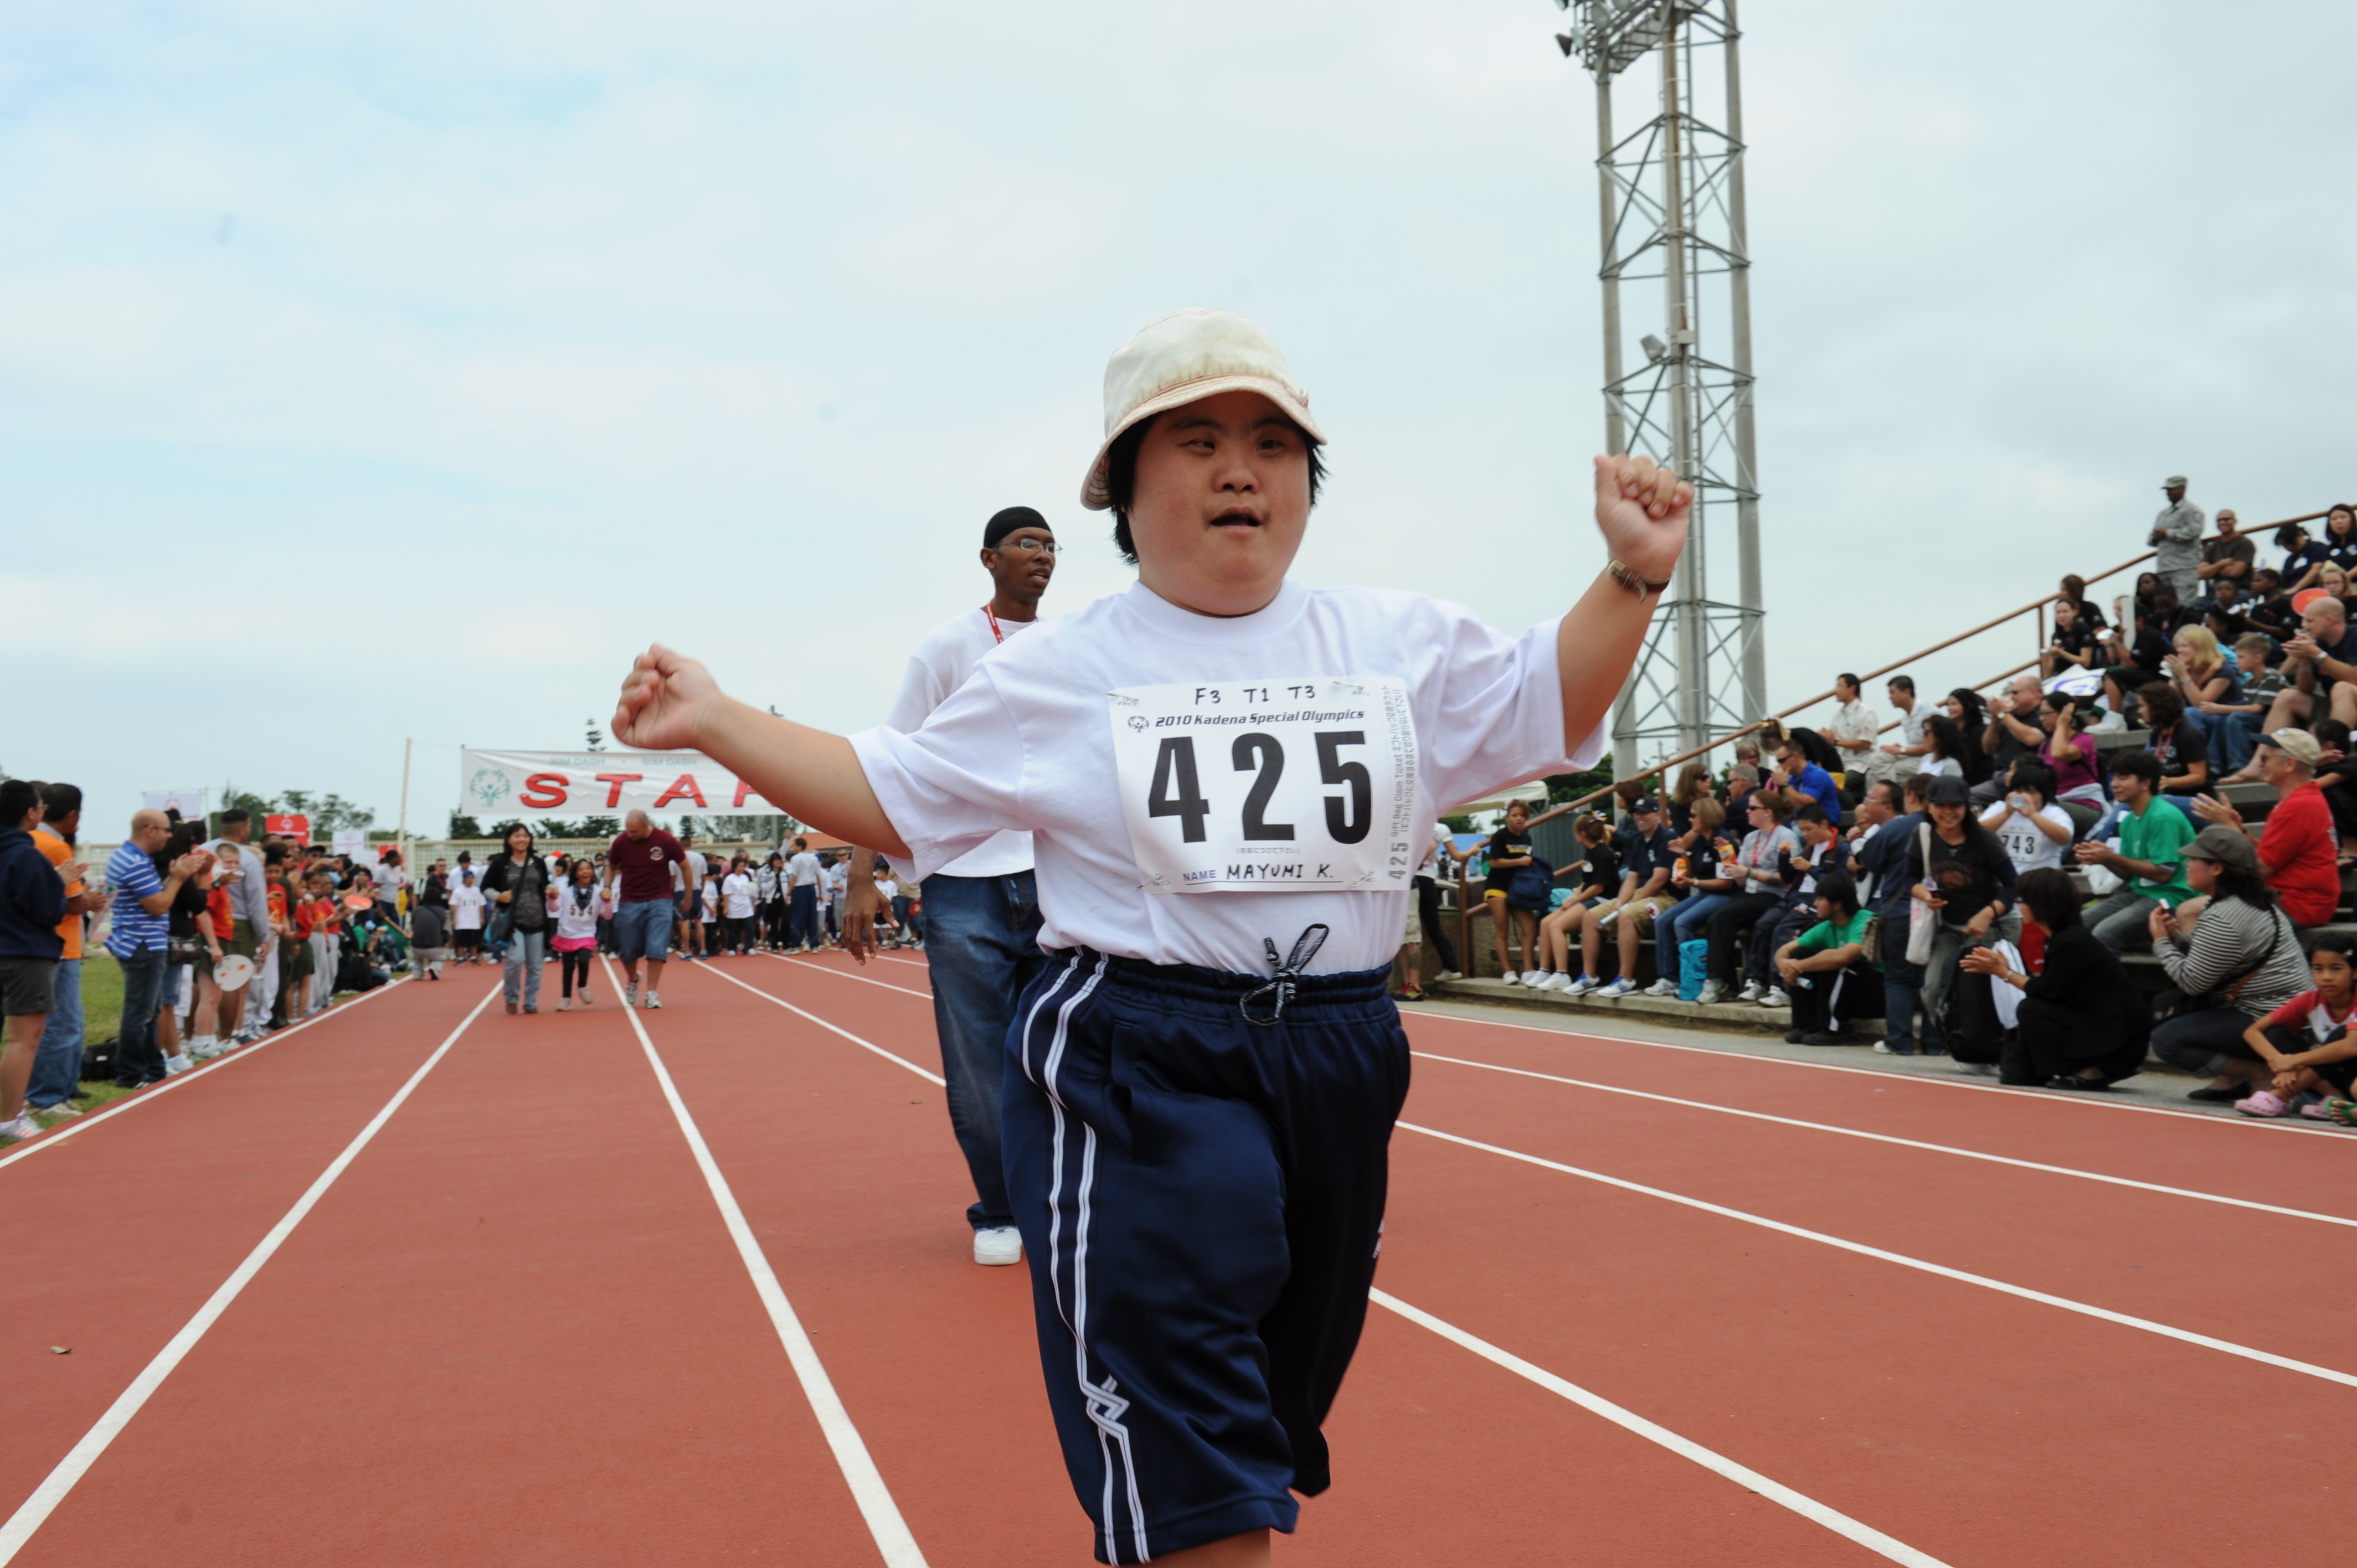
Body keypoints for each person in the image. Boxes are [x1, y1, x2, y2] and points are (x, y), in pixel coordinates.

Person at [609, 305, 1691, 1566]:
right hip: (1137, 1060)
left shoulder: (1394, 641)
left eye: (1273, 442)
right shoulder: (1064, 670)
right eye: (1198, 439)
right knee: (1194, 1462)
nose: (1241, 466)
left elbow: (1551, 698)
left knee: (1272, 1423)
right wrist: (719, 716)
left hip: (1339, 1050)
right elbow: (892, 785)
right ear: (1124, 487)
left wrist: (1634, 575)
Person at [844, 499, 1061, 1254]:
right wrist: (861, 878)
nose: (1042, 554)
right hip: (963, 883)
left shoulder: (1075, 645)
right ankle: (1001, 1210)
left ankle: (1067, 1196)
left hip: (1057, 876)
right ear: (988, 559)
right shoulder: (946, 649)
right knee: (977, 1059)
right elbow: (886, 761)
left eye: (1052, 545)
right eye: (1025, 543)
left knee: (1070, 1049)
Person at [2148, 826, 2310, 1102]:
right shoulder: (2244, 903)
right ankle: (2235, 1078)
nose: (2187, 864)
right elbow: (2214, 959)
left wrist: (2161, 941)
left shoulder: (2225, 915)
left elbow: (2193, 982)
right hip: (2287, 1017)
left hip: (2275, 1024)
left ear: (2217, 869)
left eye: (2194, 859)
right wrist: (2177, 938)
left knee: (2167, 1039)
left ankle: (2257, 1073)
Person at [1958, 867, 2149, 1090]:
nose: (2019, 906)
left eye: (2023, 900)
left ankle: (2091, 1072)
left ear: (2041, 904)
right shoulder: (2065, 937)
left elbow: (2047, 991)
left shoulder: (2070, 941)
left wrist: (2004, 973)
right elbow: (2054, 990)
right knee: (2035, 1007)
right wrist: (2006, 971)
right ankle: (2074, 1069)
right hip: (2114, 1031)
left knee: (2031, 1009)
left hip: (2123, 1042)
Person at [1907, 775, 2019, 1066]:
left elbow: (2013, 886)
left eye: (1955, 806)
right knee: (1931, 988)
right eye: (1940, 805)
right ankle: (1960, 1042)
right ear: (1929, 807)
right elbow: (1909, 878)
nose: (1948, 812)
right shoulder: (1923, 837)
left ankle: (1988, 1049)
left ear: (1966, 807)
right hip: (1948, 926)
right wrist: (1925, 895)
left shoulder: (1984, 840)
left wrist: (1986, 913)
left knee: (1972, 985)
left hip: (1990, 925)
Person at [2190, 728, 2341, 927]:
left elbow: (2260, 869)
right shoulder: (2299, 799)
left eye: (2265, 758)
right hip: (2298, 899)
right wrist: (2239, 829)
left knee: (2189, 911)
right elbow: (2269, 855)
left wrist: (2228, 825)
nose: (2260, 764)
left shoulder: (2299, 805)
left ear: (2289, 764)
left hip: (2299, 904)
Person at [104, 811, 209, 1089]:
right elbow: (159, 905)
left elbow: (153, 896)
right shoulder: (136, 863)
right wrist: (179, 879)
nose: (170, 835)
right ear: (150, 830)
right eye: (166, 830)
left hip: (138, 941)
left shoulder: (130, 858)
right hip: (144, 943)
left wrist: (174, 877)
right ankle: (131, 1074)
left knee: (149, 1011)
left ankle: (152, 1068)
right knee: (140, 1013)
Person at [24, 784, 109, 1122]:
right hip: (60, 943)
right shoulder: (53, 846)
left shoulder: (30, 841)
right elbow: (75, 902)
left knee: (54, 1024)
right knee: (63, 1025)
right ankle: (47, 1096)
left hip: (46, 943)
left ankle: (56, 1089)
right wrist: (89, 899)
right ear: (73, 816)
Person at [1, 779, 73, 1141]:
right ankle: (10, 1116)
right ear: (30, 813)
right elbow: (46, 909)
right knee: (24, 1038)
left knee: (17, 1037)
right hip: (24, 953)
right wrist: (57, 887)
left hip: (8, 949)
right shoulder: (25, 855)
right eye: (41, 806)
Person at [1691, 793, 1799, 1005]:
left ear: (1767, 812)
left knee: (1725, 915)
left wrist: (1749, 873)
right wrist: (1728, 859)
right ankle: (1724, 981)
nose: (1747, 812)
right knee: (1716, 918)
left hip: (1775, 896)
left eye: (1752, 808)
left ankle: (1721, 981)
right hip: (1750, 893)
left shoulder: (1786, 836)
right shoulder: (1751, 837)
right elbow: (1741, 878)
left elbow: (1788, 880)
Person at [1569, 796, 1679, 998]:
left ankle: (1626, 979)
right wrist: (1620, 902)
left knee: (1627, 916)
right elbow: (1631, 879)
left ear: (1657, 815)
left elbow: (1659, 880)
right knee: (1591, 917)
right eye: (1637, 814)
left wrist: (1631, 904)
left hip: (1666, 898)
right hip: (1640, 894)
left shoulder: (1667, 839)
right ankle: (1589, 976)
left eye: (1644, 813)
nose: (1640, 817)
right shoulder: (1638, 842)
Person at [1773, 871, 1881, 1046]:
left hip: (1876, 996)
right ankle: (1807, 1025)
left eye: (1820, 899)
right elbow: (1783, 951)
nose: (1815, 904)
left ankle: (1837, 1030)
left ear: (1837, 904)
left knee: (1833, 964)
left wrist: (1798, 967)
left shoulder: (1866, 920)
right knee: (1799, 953)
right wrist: (1785, 965)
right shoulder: (1827, 926)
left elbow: (1844, 957)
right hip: (1847, 992)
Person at [602, 810, 689, 1009]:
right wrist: (607, 887)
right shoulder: (621, 842)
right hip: (629, 901)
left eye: (633, 831)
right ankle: (633, 979)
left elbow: (685, 867)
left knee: (656, 947)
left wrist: (689, 896)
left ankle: (651, 993)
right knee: (627, 950)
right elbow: (611, 866)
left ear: (646, 826)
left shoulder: (666, 840)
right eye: (627, 830)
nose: (629, 834)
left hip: (660, 899)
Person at [1531, 814, 1617, 991]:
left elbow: (1598, 887)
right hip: (1589, 897)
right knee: (1547, 923)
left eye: (1576, 832)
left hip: (1602, 900)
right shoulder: (1589, 852)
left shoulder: (1603, 853)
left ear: (1583, 834)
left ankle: (1562, 974)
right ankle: (1545, 970)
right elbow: (1586, 882)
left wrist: (1577, 900)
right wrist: (1571, 898)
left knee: (1557, 927)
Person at [480, 823, 550, 1014]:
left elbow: (544, 885)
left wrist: (550, 891)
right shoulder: (501, 864)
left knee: (536, 966)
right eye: (517, 836)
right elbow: (485, 887)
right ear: (509, 840)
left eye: (525, 836)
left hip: (537, 920)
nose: (522, 840)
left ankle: (531, 1002)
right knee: (516, 960)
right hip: (512, 922)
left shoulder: (538, 862)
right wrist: (498, 896)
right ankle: (511, 998)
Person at [1480, 799, 1543, 981]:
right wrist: (1519, 862)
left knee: (1531, 928)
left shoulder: (1527, 837)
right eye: (1515, 815)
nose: (1519, 819)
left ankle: (1529, 970)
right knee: (1503, 930)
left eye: (1522, 816)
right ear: (1508, 817)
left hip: (1519, 888)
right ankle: (1508, 972)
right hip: (1497, 886)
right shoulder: (1500, 836)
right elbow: (1493, 862)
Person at [1981, 761, 2074, 878]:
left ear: (2043, 794)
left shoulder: (2053, 813)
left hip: (2041, 880)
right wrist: (2006, 813)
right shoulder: (2000, 808)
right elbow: (1977, 833)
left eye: (2031, 792)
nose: (2024, 796)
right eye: (2019, 791)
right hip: (2002, 880)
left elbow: (2064, 839)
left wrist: (2032, 814)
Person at [1412, 824, 1464, 983]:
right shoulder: (1441, 828)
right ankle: (1453, 967)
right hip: (1429, 878)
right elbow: (1457, 856)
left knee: (1410, 931)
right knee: (1434, 928)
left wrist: (1411, 865)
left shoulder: (1413, 821)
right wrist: (1473, 850)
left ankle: (1411, 981)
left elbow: (1431, 845)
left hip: (1412, 878)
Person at [2150, 474, 2206, 605]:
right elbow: (2151, 538)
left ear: (2182, 489)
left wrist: (2168, 534)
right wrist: (2155, 536)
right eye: (2167, 490)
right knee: (2166, 606)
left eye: (2172, 489)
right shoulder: (2163, 514)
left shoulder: (2192, 511)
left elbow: (2195, 531)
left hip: (2184, 568)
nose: (2169, 493)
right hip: (2164, 568)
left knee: (2185, 605)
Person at [552, 858, 600, 1009]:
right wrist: (551, 898)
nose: (585, 872)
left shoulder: (598, 892)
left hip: (586, 933)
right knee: (568, 968)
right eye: (581, 869)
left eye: (588, 868)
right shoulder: (566, 891)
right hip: (567, 934)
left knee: (584, 960)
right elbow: (554, 908)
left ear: (592, 871)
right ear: (576, 874)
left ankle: (583, 986)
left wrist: (608, 901)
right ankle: (566, 998)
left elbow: (608, 914)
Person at [1823, 673, 1879, 777]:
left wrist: (1836, 742)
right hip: (1840, 764)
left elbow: (1865, 743)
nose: (1836, 691)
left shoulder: (1867, 713)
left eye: (1839, 686)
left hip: (1861, 765)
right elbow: (1832, 737)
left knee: (1838, 784)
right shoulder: (1838, 715)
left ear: (1852, 688)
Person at [781, 835, 822, 951]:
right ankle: (814, 945)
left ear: (800, 846)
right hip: (811, 889)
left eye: (794, 846)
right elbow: (818, 876)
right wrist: (820, 892)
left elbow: (795, 876)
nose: (793, 848)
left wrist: (789, 893)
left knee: (797, 917)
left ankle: (795, 945)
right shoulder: (814, 858)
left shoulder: (796, 859)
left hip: (800, 889)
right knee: (812, 916)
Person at [450, 870, 487, 964]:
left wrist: (482, 918)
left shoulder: (477, 891)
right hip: (462, 920)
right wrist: (454, 918)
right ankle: (460, 957)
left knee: (474, 941)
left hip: (474, 920)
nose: (471, 880)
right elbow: (454, 905)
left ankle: (474, 957)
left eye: (472, 878)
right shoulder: (458, 891)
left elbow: (481, 905)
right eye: (469, 878)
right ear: (464, 879)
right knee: (461, 941)